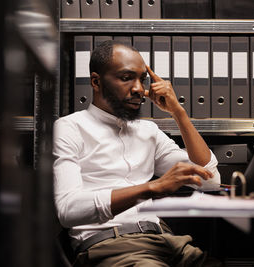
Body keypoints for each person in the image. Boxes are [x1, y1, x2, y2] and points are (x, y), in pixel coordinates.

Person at [53, 40, 221, 267]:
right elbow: (68, 210)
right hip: (111, 244)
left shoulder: (148, 131)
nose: (139, 89)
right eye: (126, 78)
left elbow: (210, 181)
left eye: (142, 79)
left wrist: (178, 112)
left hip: (167, 241)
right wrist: (152, 188)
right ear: (96, 81)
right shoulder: (70, 127)